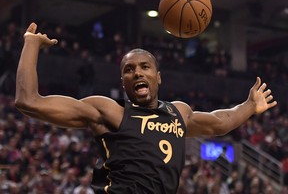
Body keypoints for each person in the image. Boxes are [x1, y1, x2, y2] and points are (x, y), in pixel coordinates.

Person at [15, 22, 277, 194]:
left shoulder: (179, 112)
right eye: (129, 70)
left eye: (144, 67)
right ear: (123, 82)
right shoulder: (110, 112)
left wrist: (250, 105)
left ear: (158, 77)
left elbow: (219, 123)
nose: (137, 73)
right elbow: (29, 101)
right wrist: (31, 44)